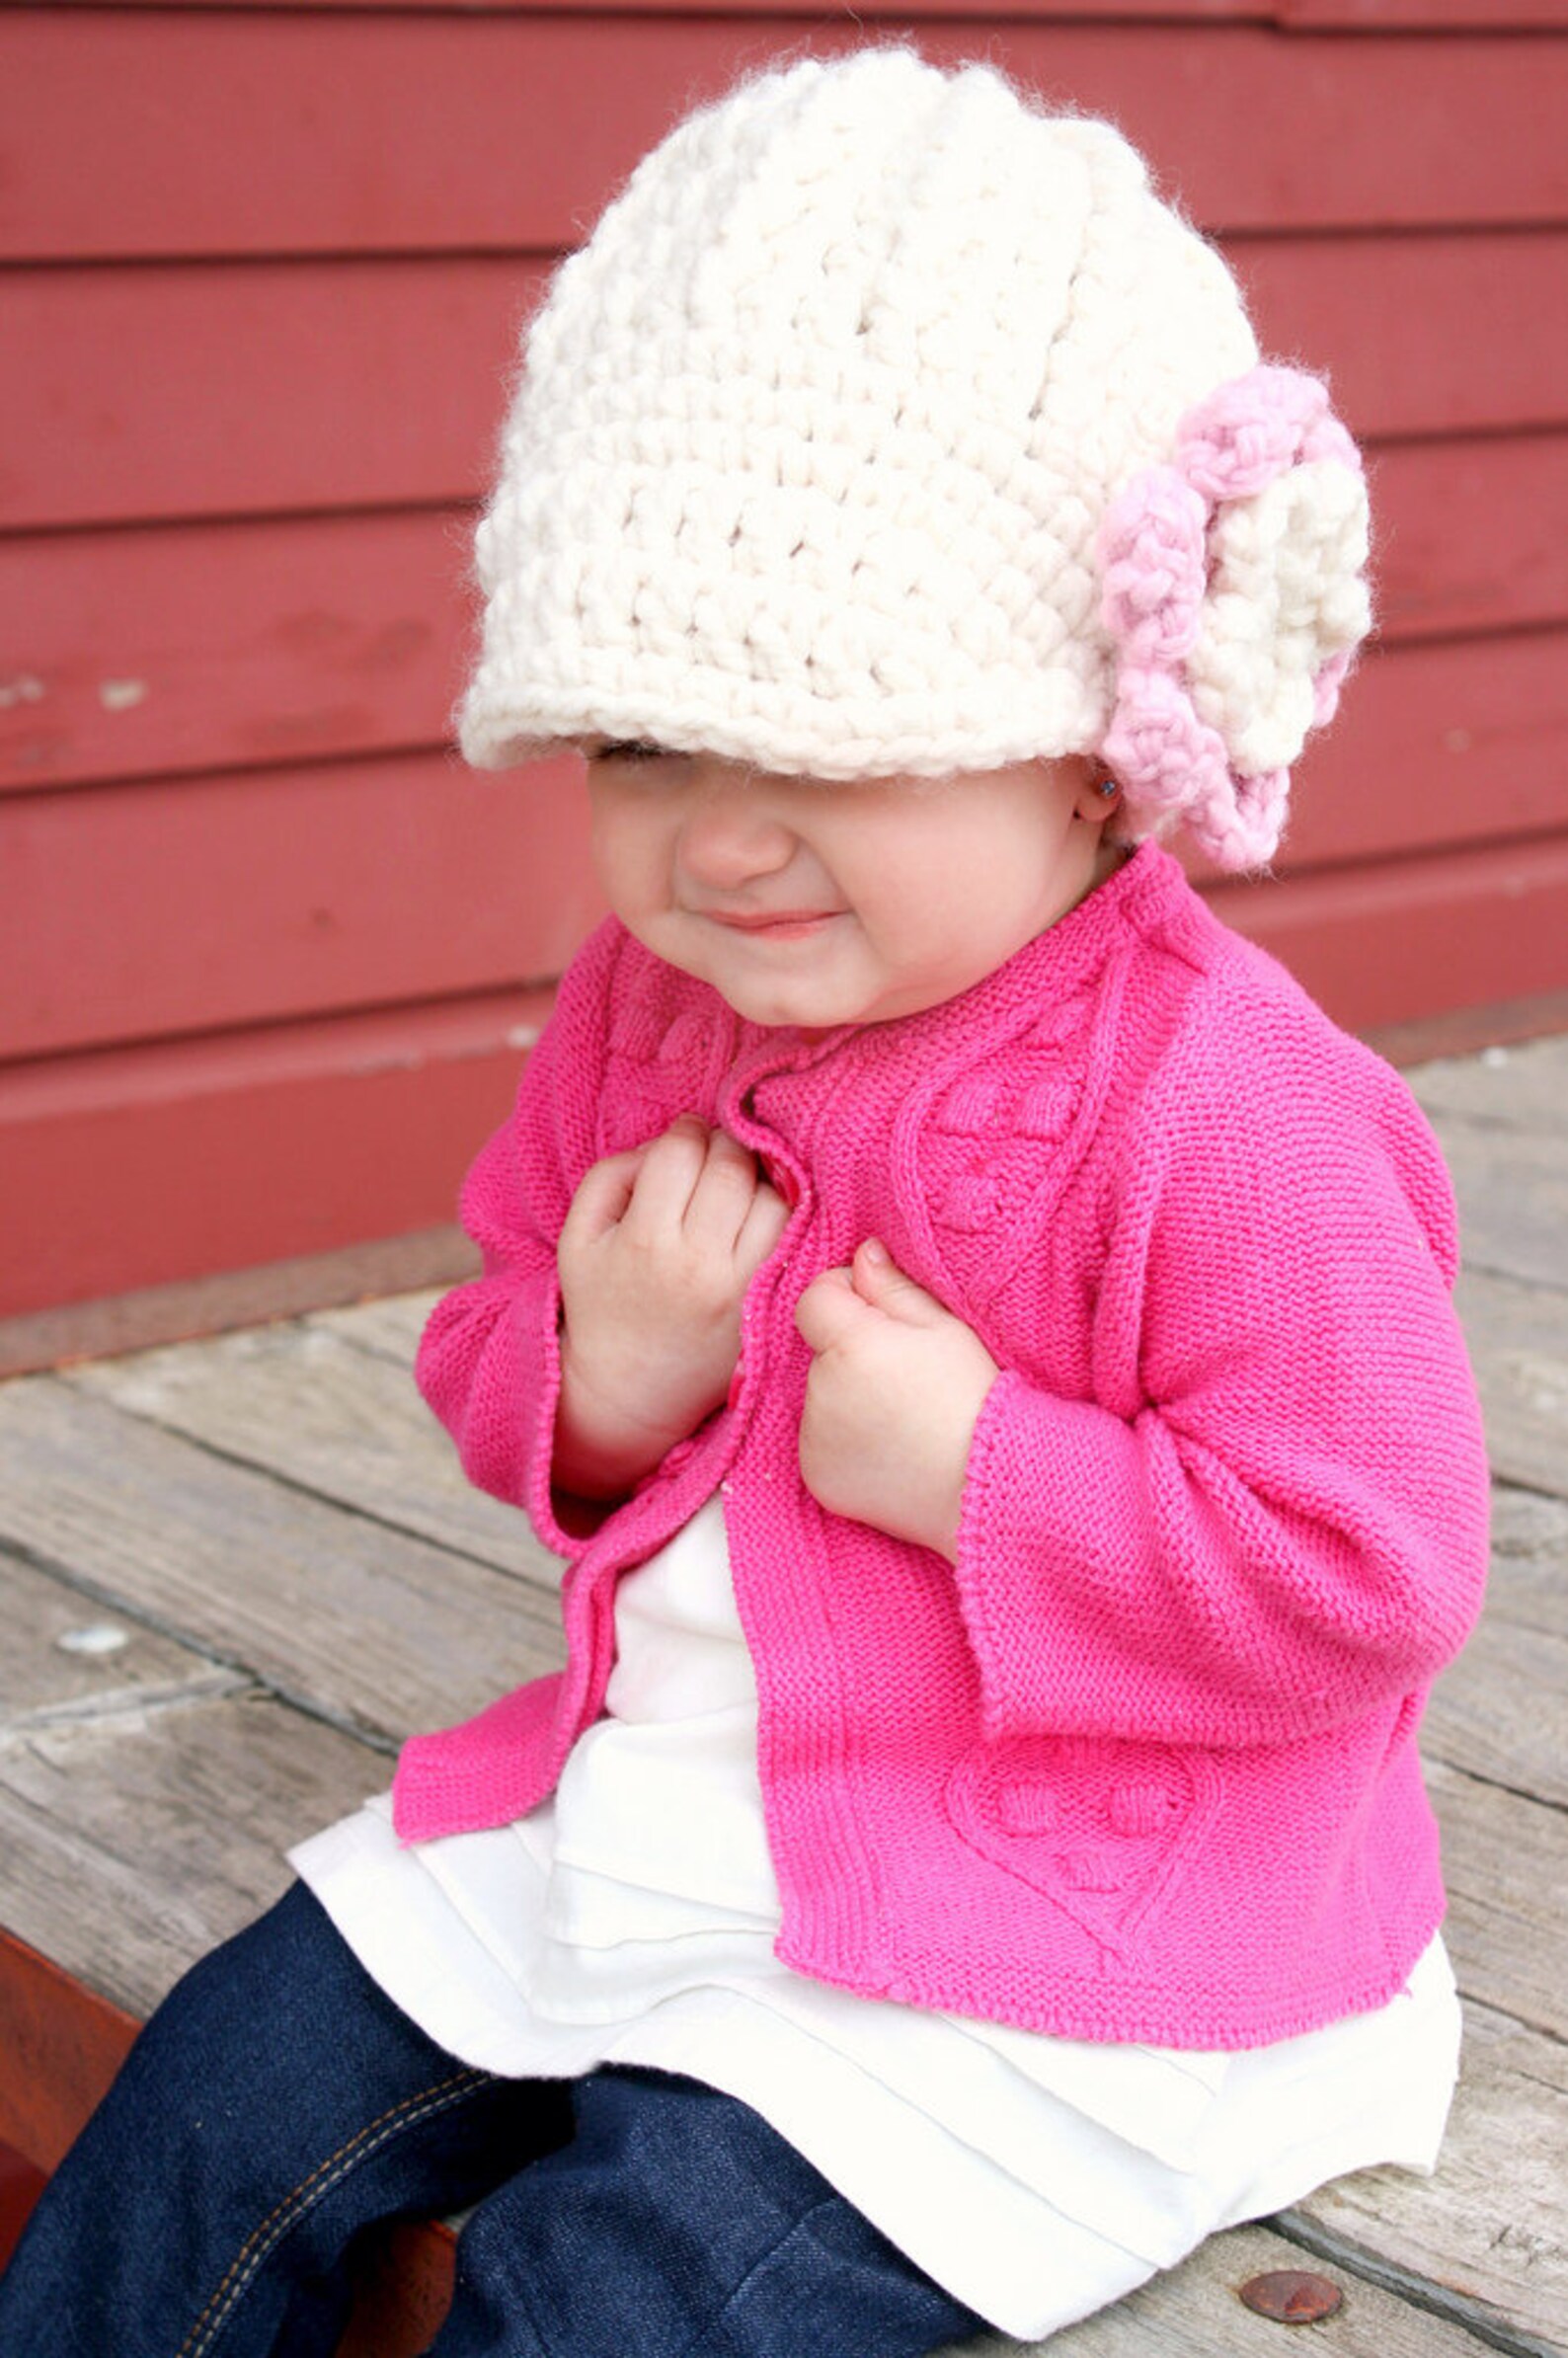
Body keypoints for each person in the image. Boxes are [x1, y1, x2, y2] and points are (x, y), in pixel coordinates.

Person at [0, 46, 1490, 2358]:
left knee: (628, 2283)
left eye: (829, 748)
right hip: (673, 1808)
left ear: (1100, 748)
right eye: (645, 742)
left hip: (1053, 1927)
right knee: (221, 2099)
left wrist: (979, 1472)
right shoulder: (650, 1000)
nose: (713, 837)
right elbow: (499, 1314)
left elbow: (1366, 1568)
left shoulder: (1234, 1112)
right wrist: (601, 1383)